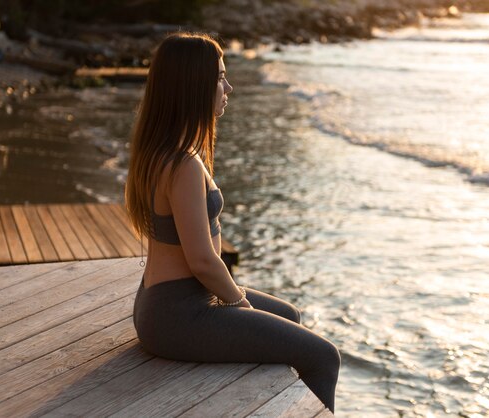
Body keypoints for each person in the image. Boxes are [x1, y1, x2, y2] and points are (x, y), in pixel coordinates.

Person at [125, 32, 340, 413]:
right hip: (177, 314)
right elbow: (203, 261)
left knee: (289, 316)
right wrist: (238, 303)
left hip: (164, 302)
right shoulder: (182, 164)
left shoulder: (160, 150)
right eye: (220, 77)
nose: (229, 86)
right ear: (194, 86)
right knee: (324, 357)